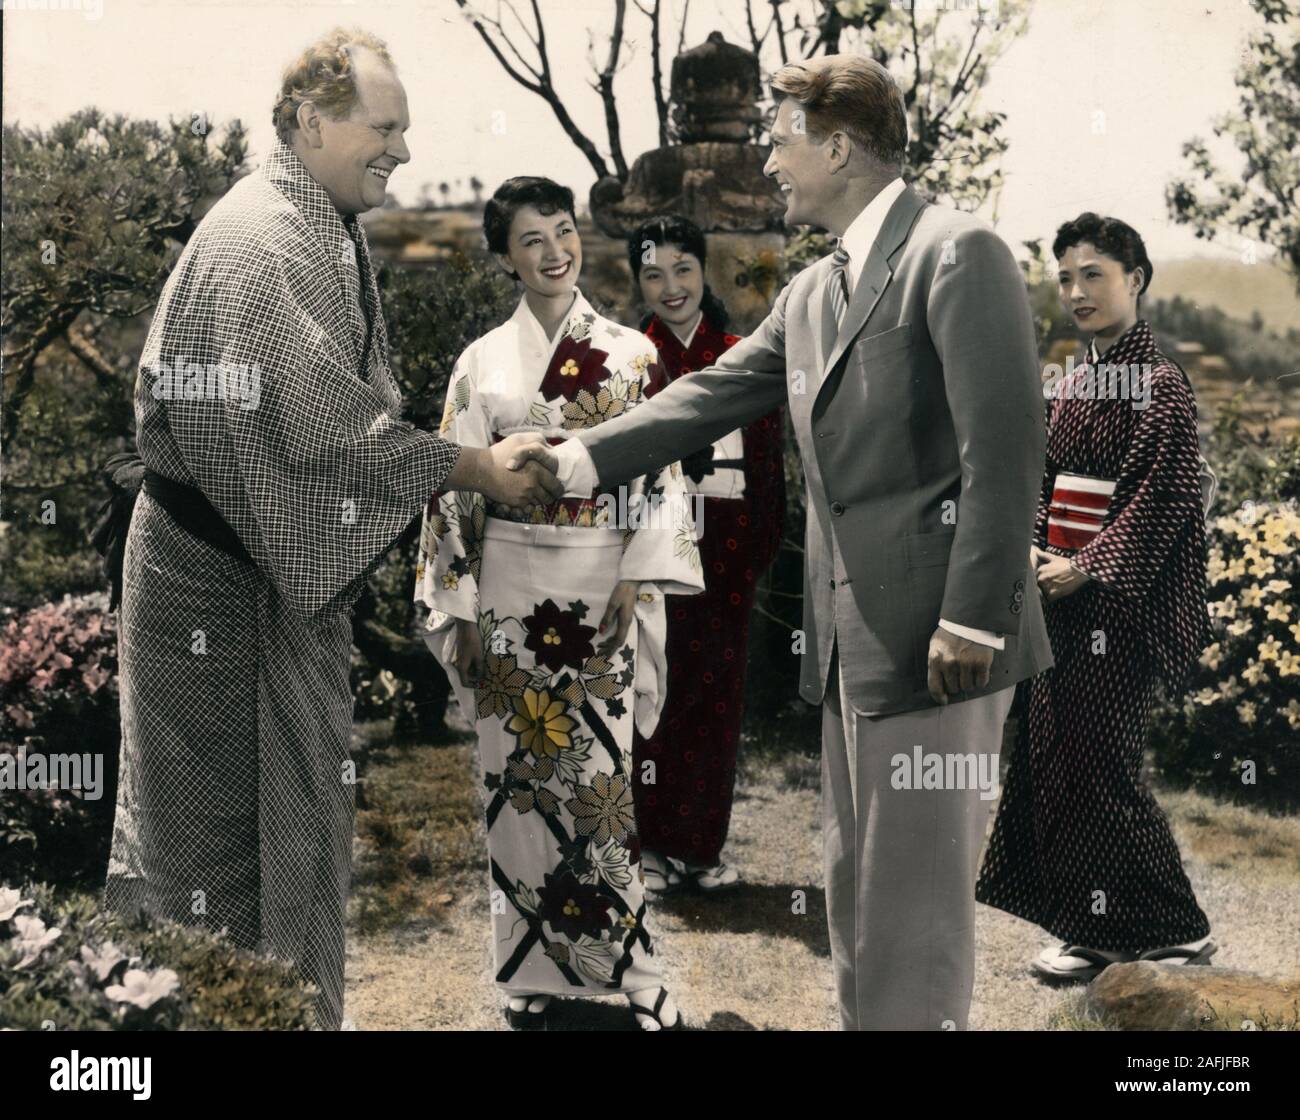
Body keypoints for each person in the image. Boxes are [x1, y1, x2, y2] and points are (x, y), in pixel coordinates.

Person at [527, 54, 1053, 1030]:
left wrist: (974, 619)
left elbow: (1009, 449)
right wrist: (569, 461)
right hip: (852, 640)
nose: (768, 160)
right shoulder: (815, 289)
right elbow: (709, 396)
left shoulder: (958, 251)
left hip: (943, 639)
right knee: (859, 883)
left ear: (840, 145)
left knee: (917, 898)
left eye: (781, 139)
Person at [103, 29, 558, 1031]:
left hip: (251, 563)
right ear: (312, 123)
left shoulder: (316, 217)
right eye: (383, 127)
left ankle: (284, 1021)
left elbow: (343, 407)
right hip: (209, 581)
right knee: (207, 851)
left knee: (290, 832)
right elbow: (323, 421)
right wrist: (472, 465)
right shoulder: (264, 238)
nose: (399, 149)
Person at [415, 177, 704, 1031]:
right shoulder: (482, 362)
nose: (554, 251)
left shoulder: (630, 354)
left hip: (596, 584)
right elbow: (453, 483)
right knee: (516, 780)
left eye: (565, 231)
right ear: (506, 257)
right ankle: (527, 966)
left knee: (601, 784)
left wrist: (636, 574)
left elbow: (661, 469)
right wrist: (458, 605)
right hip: (506, 582)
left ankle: (636, 969)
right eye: (532, 239)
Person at [975, 213, 1216, 981]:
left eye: (1095, 276)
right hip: (1063, 591)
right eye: (1067, 278)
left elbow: (1167, 494)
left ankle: (1176, 926)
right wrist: (1039, 548)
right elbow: (1043, 484)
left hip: (1121, 603)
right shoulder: (1072, 379)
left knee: (1101, 764)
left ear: (1136, 280)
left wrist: (1088, 564)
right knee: (1056, 759)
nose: (1078, 292)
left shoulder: (1162, 384)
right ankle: (1096, 926)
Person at [624, 215, 785, 893]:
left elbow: (768, 470)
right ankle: (653, 843)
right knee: (653, 692)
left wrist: (752, 555)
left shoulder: (740, 353)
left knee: (716, 698)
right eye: (654, 274)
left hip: (726, 557)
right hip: (653, 556)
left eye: (683, 270)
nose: (671, 287)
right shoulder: (630, 357)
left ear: (703, 272)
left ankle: (702, 846)